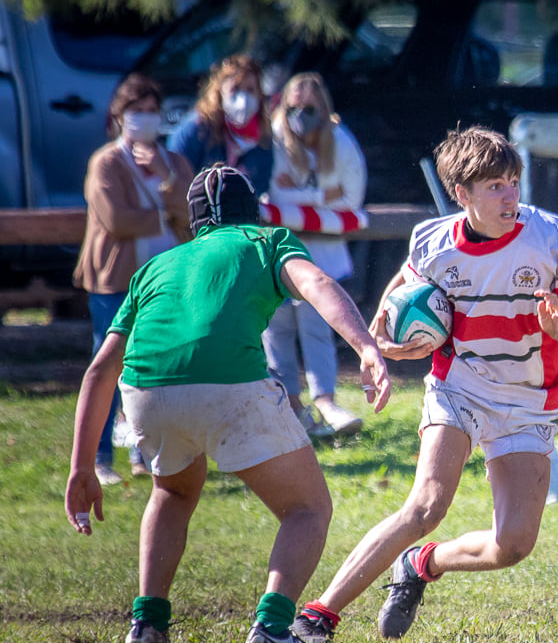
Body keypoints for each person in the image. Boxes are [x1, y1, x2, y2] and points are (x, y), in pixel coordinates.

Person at [289, 126, 558, 643]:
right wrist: (383, 342)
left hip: (529, 399)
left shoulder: (556, 240)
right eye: (494, 187)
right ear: (461, 195)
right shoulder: (434, 240)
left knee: (513, 545)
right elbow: (404, 288)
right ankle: (318, 615)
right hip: (457, 384)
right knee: (425, 505)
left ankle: (422, 563)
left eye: (513, 182)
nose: (510, 196)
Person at [64, 165, 392, 643]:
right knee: (307, 509)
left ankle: (148, 623)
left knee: (172, 492)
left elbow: (99, 370)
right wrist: (365, 345)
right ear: (253, 212)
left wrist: (82, 467)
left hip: (145, 389)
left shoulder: (159, 264)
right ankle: (274, 628)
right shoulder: (267, 240)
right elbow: (318, 282)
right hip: (230, 384)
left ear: (194, 225)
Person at [73, 73, 194, 485]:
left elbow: (193, 213)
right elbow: (116, 219)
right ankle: (99, 459)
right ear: (118, 116)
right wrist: (165, 205)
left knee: (160, 373)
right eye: (135, 112)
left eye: (151, 111)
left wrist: (165, 178)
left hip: (170, 284)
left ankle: (149, 455)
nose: (144, 119)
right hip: (116, 284)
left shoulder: (174, 162)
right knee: (109, 368)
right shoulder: (106, 161)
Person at [262, 72, 367, 436]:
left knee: (316, 324)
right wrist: (323, 199)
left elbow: (352, 201)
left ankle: (325, 401)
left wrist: (298, 203)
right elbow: (269, 198)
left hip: (322, 255)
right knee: (276, 327)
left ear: (324, 108)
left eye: (310, 108)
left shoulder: (339, 139)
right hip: (276, 251)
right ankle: (291, 406)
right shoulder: (274, 138)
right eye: (293, 107)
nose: (301, 115)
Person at [167, 54, 273, 195]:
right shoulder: (195, 130)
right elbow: (177, 184)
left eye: (250, 89)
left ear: (260, 94)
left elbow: (261, 188)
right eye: (235, 89)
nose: (243, 99)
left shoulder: (262, 138)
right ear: (219, 92)